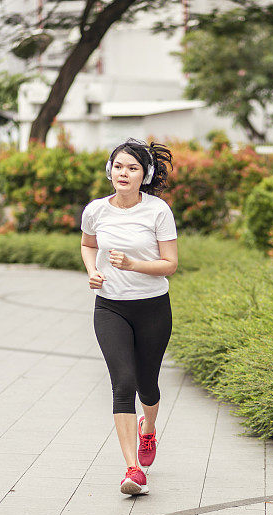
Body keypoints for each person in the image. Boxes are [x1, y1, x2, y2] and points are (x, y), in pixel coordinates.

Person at [80, 138, 177, 495]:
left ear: (144, 175)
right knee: (123, 383)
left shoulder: (157, 211)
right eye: (119, 166)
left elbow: (171, 264)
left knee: (148, 386)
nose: (124, 173)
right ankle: (132, 470)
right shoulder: (95, 210)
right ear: (110, 171)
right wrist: (92, 270)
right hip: (110, 307)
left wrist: (135, 264)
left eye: (133, 168)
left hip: (152, 308)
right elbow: (89, 244)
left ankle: (147, 430)